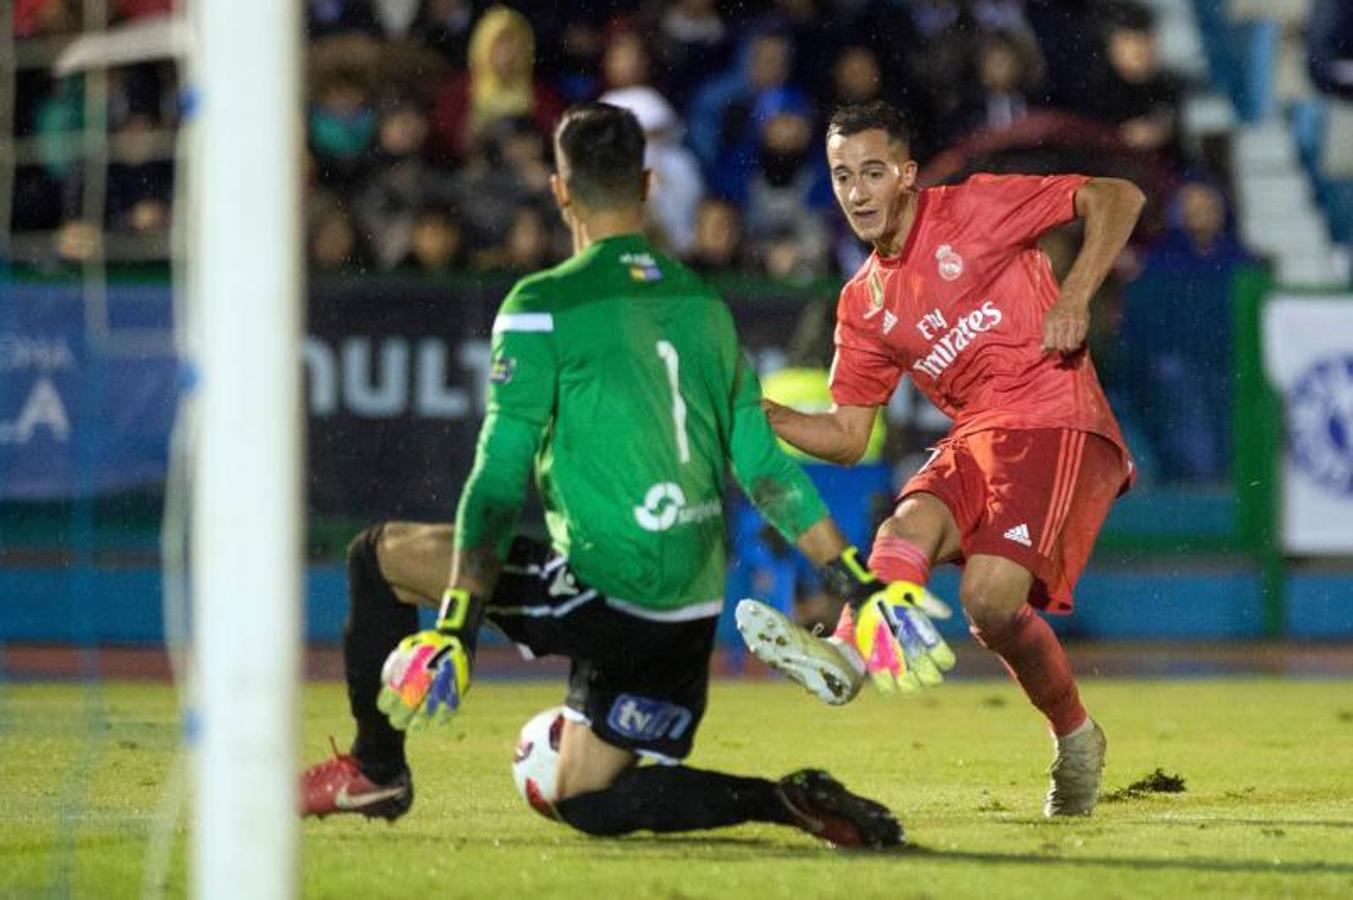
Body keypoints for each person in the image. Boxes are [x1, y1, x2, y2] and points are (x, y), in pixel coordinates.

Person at [299, 102, 952, 848]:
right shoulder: (704, 307)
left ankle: (376, 769)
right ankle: (786, 801)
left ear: (559, 191)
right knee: (585, 798)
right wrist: (855, 583)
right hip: (687, 611)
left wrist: (454, 625)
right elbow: (764, 469)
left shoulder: (541, 306)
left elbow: (496, 475)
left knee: (375, 555)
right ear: (646, 185)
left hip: (606, 591)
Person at [737, 100, 1145, 818]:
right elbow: (846, 435)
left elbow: (1117, 195)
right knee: (904, 529)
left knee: (988, 600)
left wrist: (1075, 294)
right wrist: (758, 414)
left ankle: (1072, 737)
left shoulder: (975, 207)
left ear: (906, 174)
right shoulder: (862, 303)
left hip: (1053, 415)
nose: (857, 191)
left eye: (872, 172)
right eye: (841, 176)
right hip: (975, 435)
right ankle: (845, 654)